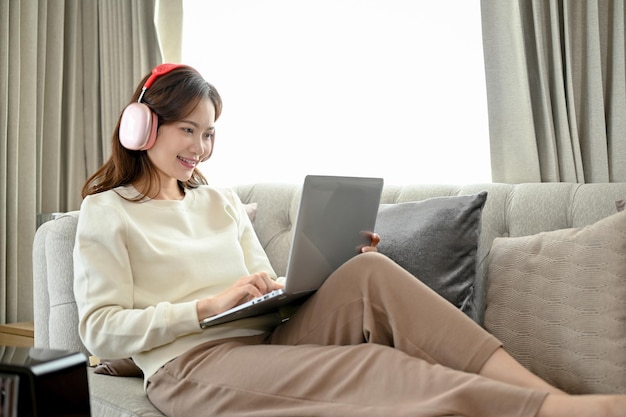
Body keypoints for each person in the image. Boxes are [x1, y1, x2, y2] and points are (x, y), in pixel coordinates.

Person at [73, 63, 626, 417]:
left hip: (265, 343)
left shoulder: (217, 202)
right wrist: (204, 308)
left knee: (370, 273)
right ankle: (556, 413)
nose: (200, 146)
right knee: (372, 366)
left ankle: (555, 396)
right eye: (187, 129)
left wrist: (325, 272)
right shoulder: (107, 212)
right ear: (142, 126)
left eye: (209, 132)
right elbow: (99, 328)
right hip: (190, 368)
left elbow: (267, 288)